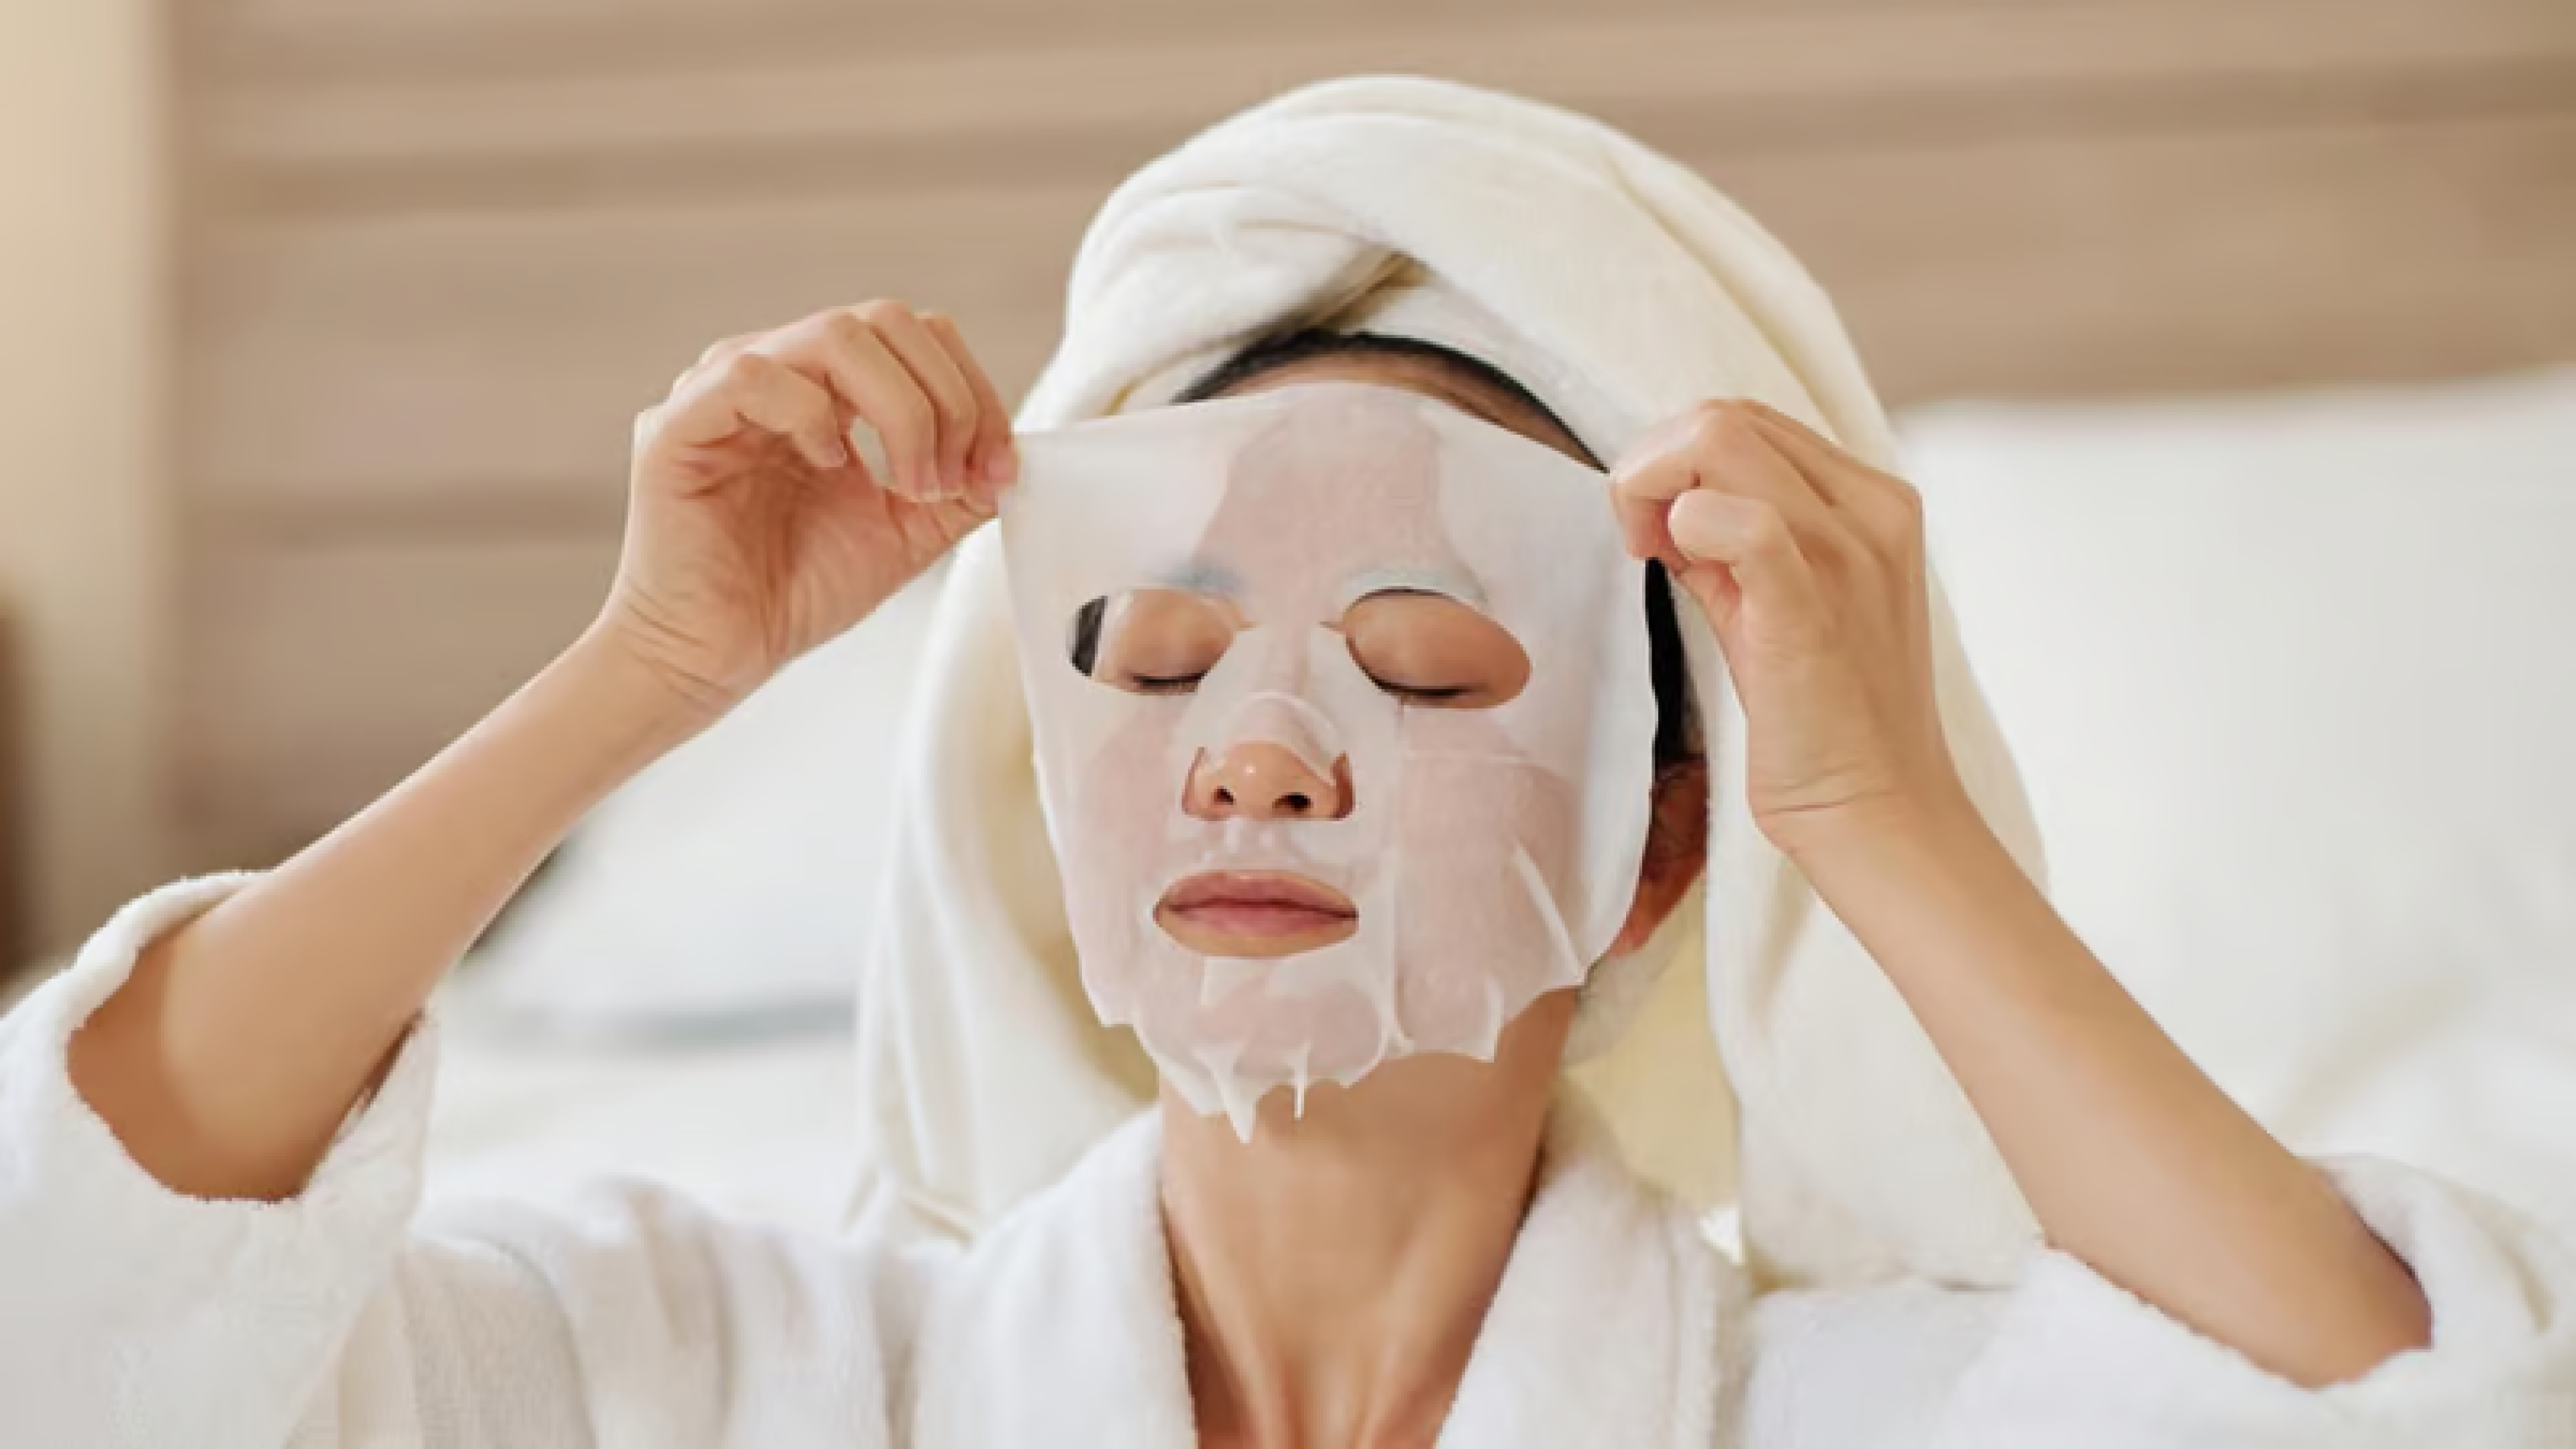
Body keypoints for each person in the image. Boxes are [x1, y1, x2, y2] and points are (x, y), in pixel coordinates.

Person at [4, 77, 2571, 1448]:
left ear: (1656, 844)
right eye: (1148, 661)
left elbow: (2398, 1422)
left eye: (1430, 669)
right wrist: (643, 677)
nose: (1255, 765)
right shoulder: (720, 1376)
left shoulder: (1829, 1407)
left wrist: (1874, 812)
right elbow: (78, 1304)